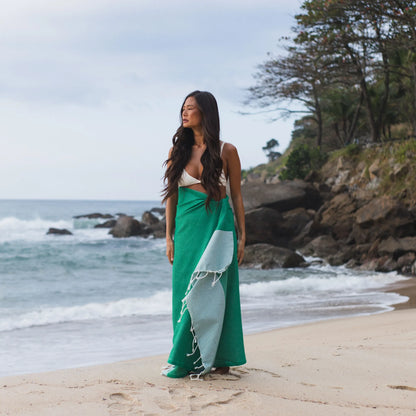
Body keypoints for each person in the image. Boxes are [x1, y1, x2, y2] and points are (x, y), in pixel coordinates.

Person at [161, 90, 246, 379]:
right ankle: (183, 360)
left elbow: (236, 196)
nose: (184, 113)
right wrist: (168, 237)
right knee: (184, 293)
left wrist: (243, 237)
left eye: (191, 109)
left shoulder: (227, 151)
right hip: (186, 231)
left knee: (217, 292)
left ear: (205, 113)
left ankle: (222, 357)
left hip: (218, 228)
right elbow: (171, 196)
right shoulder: (177, 152)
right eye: (183, 108)